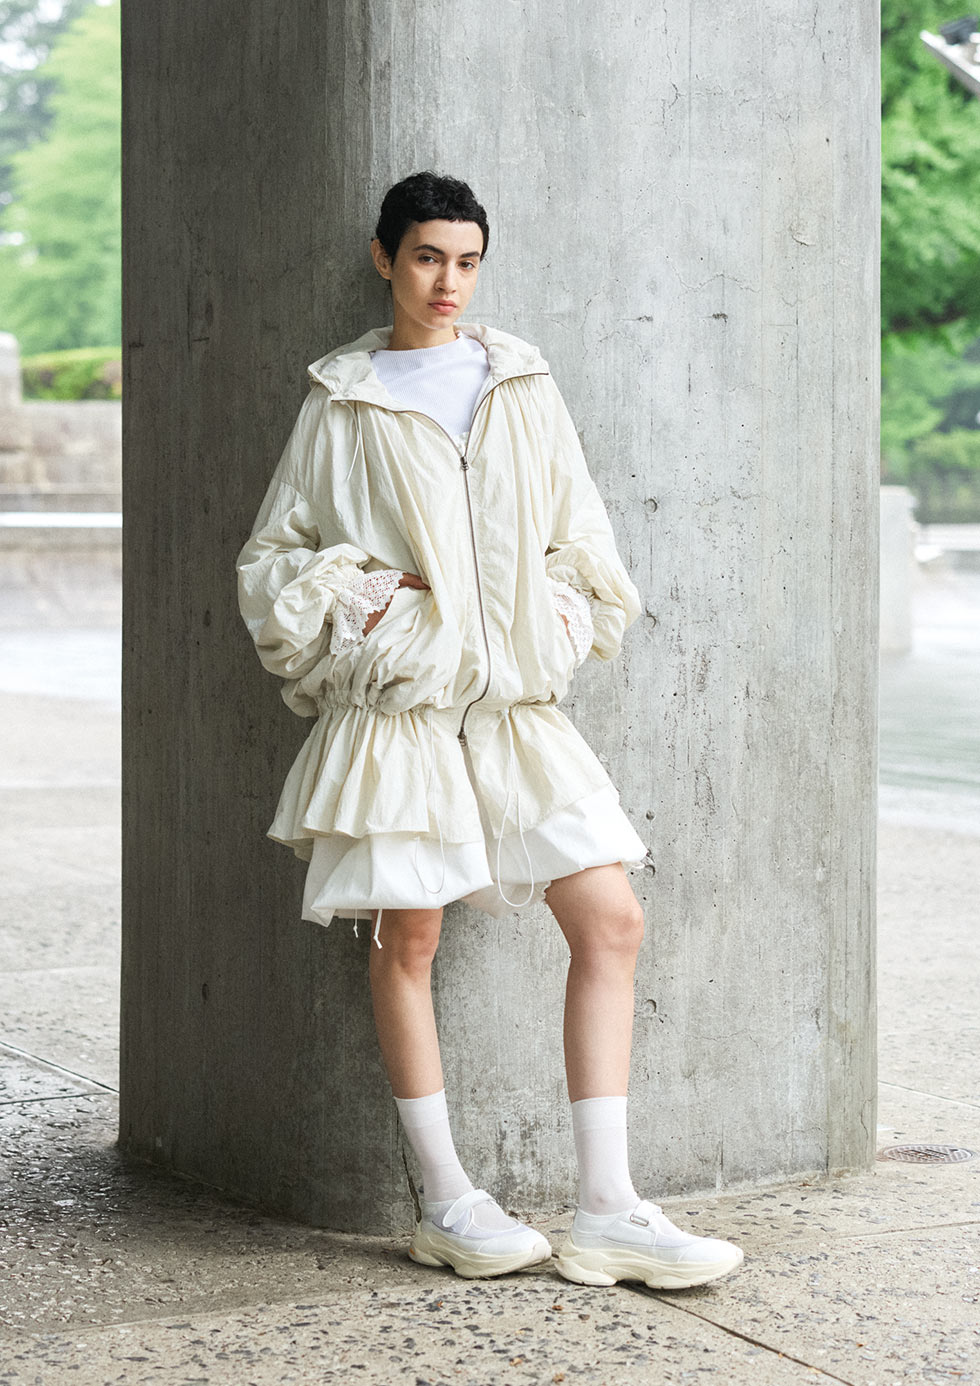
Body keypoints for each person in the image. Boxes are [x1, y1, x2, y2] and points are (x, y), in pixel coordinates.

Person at [236, 172, 743, 1289]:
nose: (447, 282)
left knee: (611, 921)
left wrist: (551, 616)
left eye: (466, 261)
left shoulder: (519, 383)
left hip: (513, 711)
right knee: (409, 940)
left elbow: (578, 529)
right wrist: (376, 604)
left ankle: (607, 1208)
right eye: (426, 257)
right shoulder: (344, 401)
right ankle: (448, 1201)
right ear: (385, 259)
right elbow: (273, 560)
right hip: (405, 713)